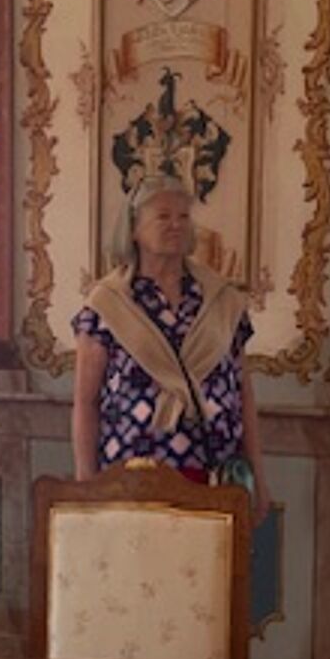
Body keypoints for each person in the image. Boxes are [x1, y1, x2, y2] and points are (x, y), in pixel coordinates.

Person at [71, 172, 269, 518]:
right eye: (163, 216)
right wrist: (86, 483)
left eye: (183, 216)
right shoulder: (107, 304)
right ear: (134, 228)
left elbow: (243, 394)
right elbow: (86, 402)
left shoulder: (221, 299)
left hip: (214, 472)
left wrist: (259, 479)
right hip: (131, 476)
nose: (176, 225)